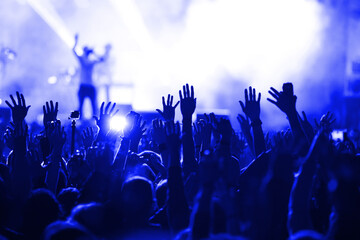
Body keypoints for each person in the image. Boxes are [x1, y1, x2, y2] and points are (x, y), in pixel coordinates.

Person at [72, 34, 111, 118]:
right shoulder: (84, 59)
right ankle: (82, 121)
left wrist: (105, 51)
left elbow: (103, 59)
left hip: (89, 86)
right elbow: (74, 50)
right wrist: (76, 41)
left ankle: (94, 122)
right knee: (82, 107)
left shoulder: (89, 60)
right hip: (85, 86)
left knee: (93, 106)